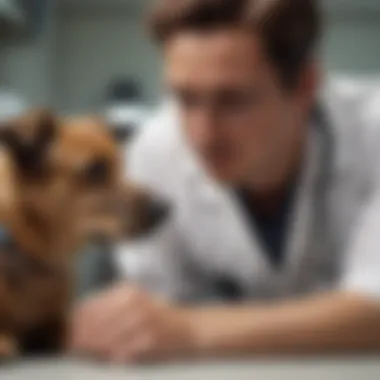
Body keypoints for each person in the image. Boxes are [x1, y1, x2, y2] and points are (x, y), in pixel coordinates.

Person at [70, 0, 380, 362]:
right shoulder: (153, 154)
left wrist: (190, 329)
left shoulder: (371, 130)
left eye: (233, 101)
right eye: (184, 99)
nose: (203, 136)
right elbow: (155, 311)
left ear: (306, 86)